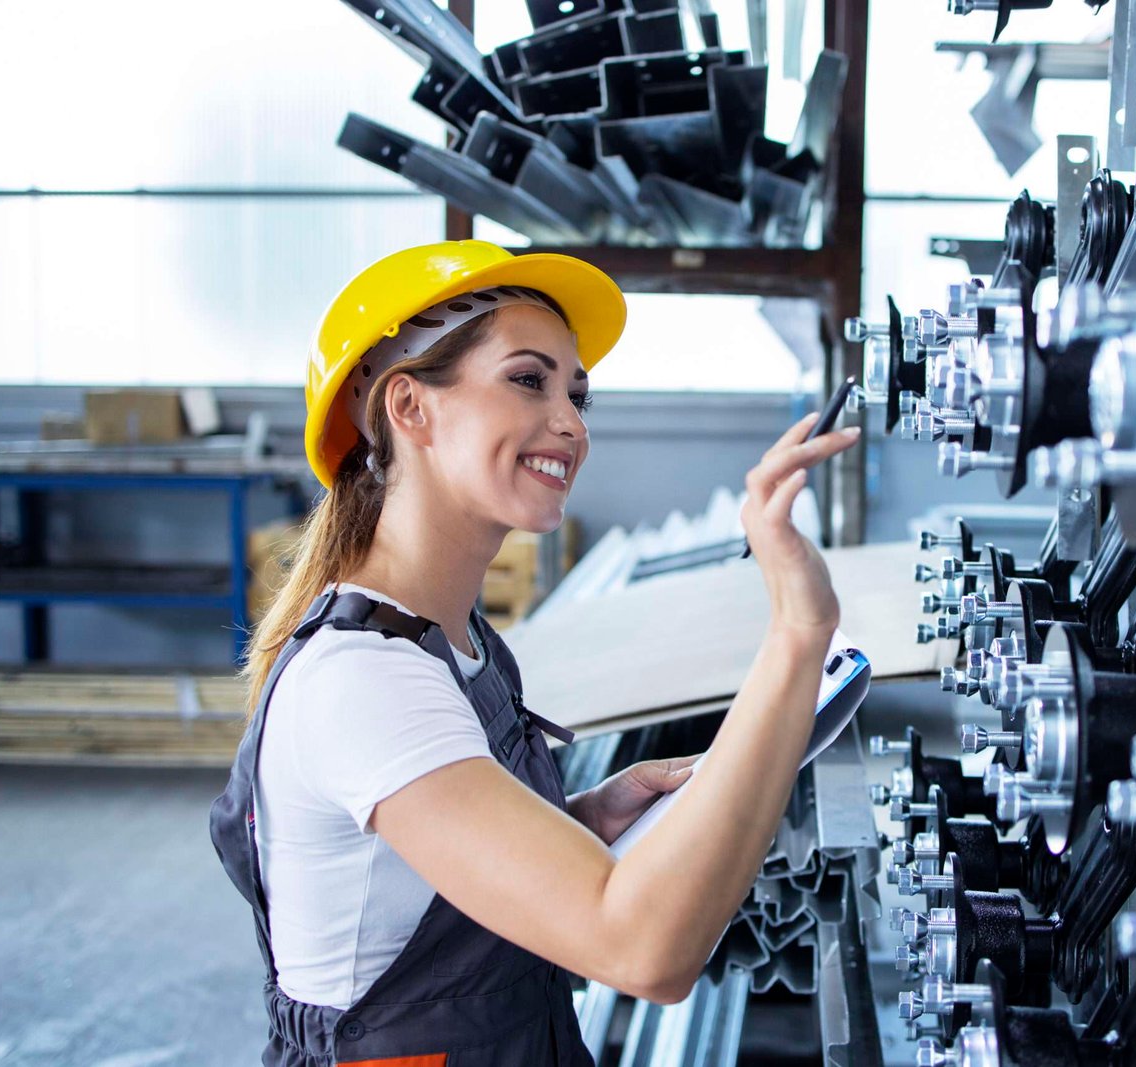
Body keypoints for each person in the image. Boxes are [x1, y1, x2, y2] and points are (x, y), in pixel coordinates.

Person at [210, 239, 862, 1066]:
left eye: (578, 394)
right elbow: (643, 949)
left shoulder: (462, 644)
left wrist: (579, 820)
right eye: (529, 379)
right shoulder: (364, 680)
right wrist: (800, 631)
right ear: (409, 407)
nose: (571, 423)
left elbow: (419, 886)